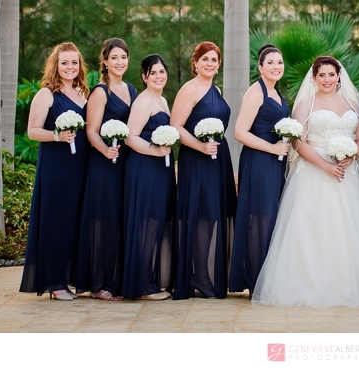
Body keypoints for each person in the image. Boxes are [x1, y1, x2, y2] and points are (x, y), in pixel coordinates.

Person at [253, 56, 359, 307]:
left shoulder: (352, 102)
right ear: (314, 78)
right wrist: (326, 165)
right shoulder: (307, 103)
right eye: (322, 75)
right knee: (312, 229)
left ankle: (347, 284)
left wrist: (352, 155)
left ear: (339, 76)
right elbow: (298, 141)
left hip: (345, 176)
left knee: (346, 229)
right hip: (314, 174)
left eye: (331, 75)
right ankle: (307, 284)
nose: (327, 80)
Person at [19, 42, 90, 300]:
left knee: (74, 222)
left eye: (74, 62)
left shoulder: (84, 94)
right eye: (65, 63)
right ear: (55, 65)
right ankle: (54, 282)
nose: (70, 67)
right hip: (57, 168)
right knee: (56, 221)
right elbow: (32, 131)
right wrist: (58, 135)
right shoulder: (47, 94)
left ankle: (69, 278)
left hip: (81, 167)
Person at [169, 42, 236, 300]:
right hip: (197, 159)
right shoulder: (190, 89)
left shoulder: (215, 89)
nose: (210, 63)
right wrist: (199, 145)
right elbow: (176, 126)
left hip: (217, 159)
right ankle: (198, 276)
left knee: (211, 217)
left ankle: (202, 274)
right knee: (199, 215)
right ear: (195, 62)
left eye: (214, 59)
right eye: (205, 59)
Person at [76, 38, 137, 301]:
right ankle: (98, 283)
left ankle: (118, 279)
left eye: (123, 57)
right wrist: (106, 150)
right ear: (105, 61)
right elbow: (91, 130)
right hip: (104, 163)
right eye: (114, 57)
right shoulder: (101, 92)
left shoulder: (132, 90)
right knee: (103, 221)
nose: (119, 62)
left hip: (126, 163)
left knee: (120, 221)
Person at [228, 45, 290, 295]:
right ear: (260, 67)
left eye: (280, 62)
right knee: (259, 218)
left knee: (271, 218)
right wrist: (272, 149)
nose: (277, 66)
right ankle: (255, 281)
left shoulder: (276, 91)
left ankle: (267, 276)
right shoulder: (256, 92)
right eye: (271, 63)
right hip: (259, 162)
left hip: (276, 162)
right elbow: (239, 132)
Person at [121, 54, 175, 301]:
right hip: (144, 167)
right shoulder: (143, 101)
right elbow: (130, 137)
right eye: (153, 73)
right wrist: (154, 150)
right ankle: (142, 285)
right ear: (144, 77)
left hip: (160, 169)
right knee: (145, 223)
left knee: (155, 222)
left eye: (161, 71)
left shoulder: (163, 100)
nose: (158, 76)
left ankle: (149, 280)